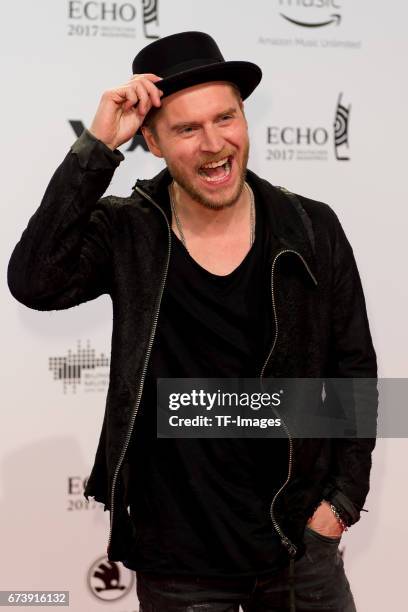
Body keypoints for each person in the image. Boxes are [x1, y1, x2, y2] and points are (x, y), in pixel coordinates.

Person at [8, 31, 377, 611]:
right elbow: (33, 281)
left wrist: (340, 505)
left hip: (297, 549)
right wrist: (98, 143)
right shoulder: (128, 231)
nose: (214, 143)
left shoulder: (309, 229)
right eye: (186, 128)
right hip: (178, 561)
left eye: (225, 118)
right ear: (150, 141)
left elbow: (355, 369)